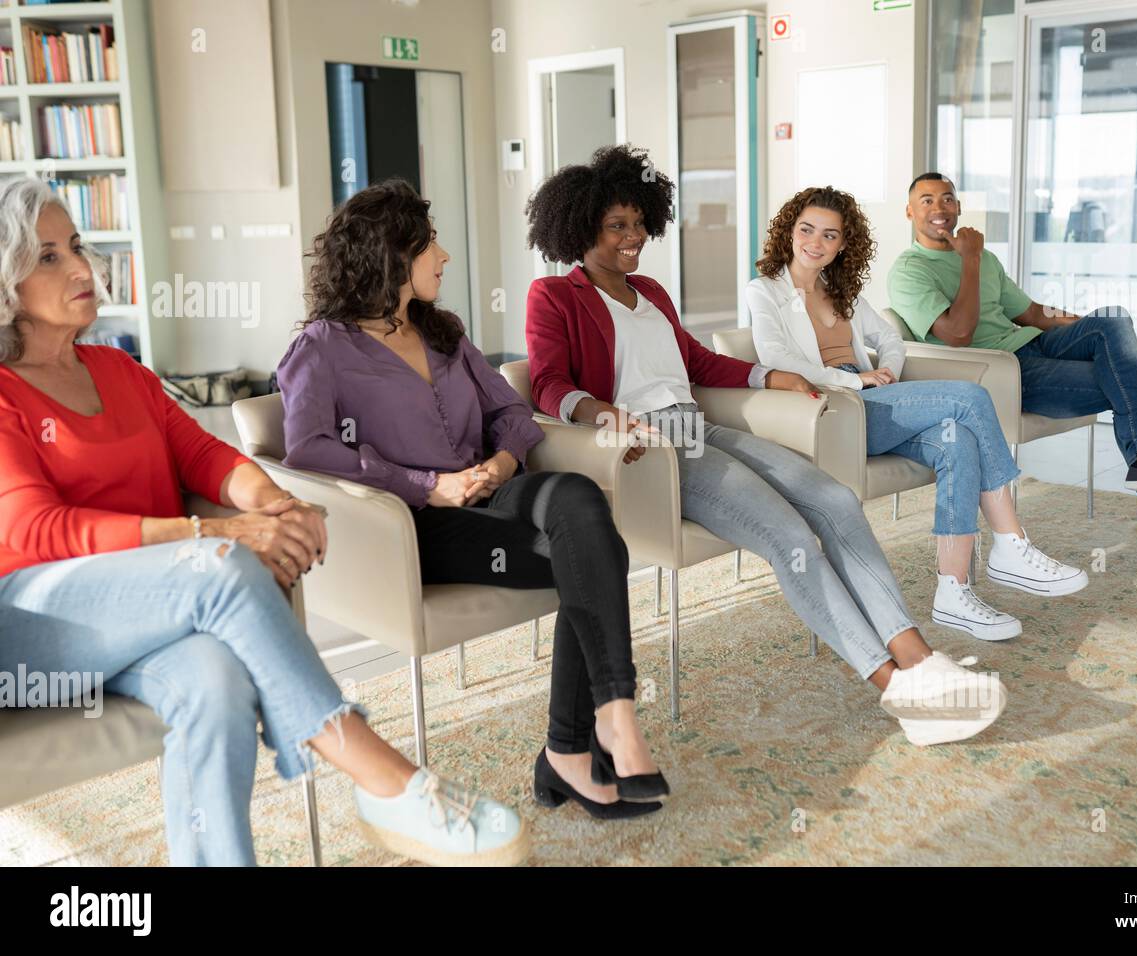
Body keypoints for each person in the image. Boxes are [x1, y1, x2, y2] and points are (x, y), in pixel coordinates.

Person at [0, 177, 528, 866]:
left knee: (216, 680)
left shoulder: (119, 371)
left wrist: (278, 506)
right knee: (218, 567)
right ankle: (385, 780)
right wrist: (216, 535)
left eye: (75, 245)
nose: (79, 267)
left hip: (144, 607)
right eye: (47, 256)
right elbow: (36, 530)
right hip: (36, 622)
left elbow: (206, 454)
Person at [525, 145, 1007, 748]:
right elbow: (547, 384)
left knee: (832, 499)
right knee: (792, 537)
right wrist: (603, 413)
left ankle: (919, 658)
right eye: (617, 226)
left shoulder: (649, 290)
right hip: (654, 451)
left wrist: (769, 376)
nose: (635, 237)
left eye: (640, 223)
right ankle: (896, 689)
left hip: (697, 425)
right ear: (579, 227)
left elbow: (696, 361)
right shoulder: (554, 295)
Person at [277, 178, 667, 817]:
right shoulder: (322, 347)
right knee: (599, 559)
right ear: (394, 255)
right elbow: (309, 451)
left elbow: (513, 411)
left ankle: (613, 719)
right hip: (415, 527)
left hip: (492, 492)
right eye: (431, 244)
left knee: (576, 500)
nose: (444, 256)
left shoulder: (444, 332)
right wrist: (429, 485)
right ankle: (571, 749)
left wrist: (501, 461)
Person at [748, 186, 1086, 642]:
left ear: (843, 243)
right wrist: (854, 380)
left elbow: (889, 338)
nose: (815, 242)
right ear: (789, 231)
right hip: (832, 409)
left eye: (829, 235)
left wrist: (886, 369)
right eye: (806, 229)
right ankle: (1011, 543)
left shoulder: (840, 290)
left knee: (957, 439)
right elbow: (776, 358)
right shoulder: (764, 291)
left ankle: (953, 591)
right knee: (969, 398)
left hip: (872, 400)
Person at [887, 173, 1137, 568]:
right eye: (926, 201)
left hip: (1032, 344)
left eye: (947, 199)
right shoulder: (910, 270)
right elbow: (959, 334)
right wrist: (970, 260)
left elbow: (1031, 313)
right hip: (999, 374)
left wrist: (1098, 333)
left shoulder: (986, 259)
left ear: (959, 207)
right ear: (910, 211)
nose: (939, 209)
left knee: (1115, 322)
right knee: (1129, 384)